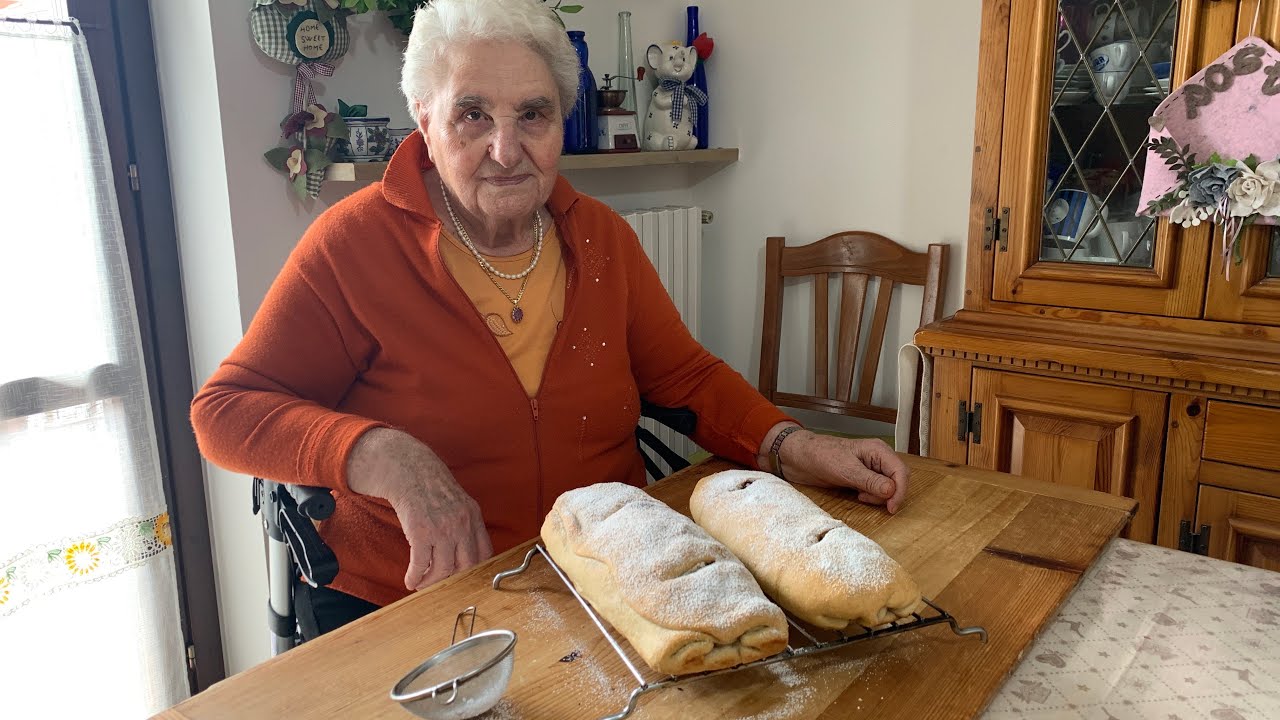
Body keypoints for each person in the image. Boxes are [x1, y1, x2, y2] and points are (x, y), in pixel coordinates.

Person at [190, 0, 909, 637]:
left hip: (612, 580)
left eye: (532, 114)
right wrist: (379, 453)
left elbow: (687, 377)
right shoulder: (352, 246)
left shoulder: (599, 238)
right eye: (472, 114)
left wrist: (797, 444)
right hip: (418, 608)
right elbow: (223, 411)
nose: (506, 151)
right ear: (425, 120)